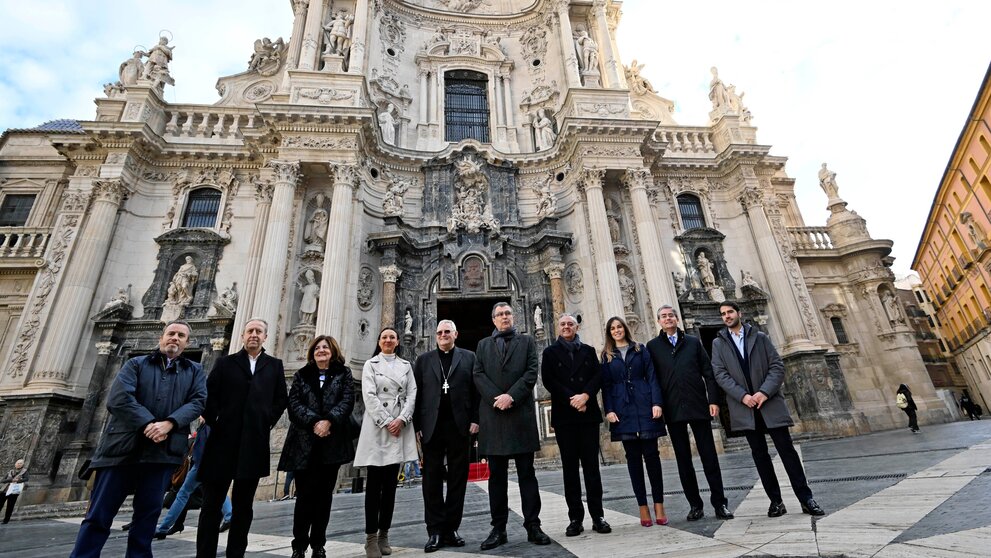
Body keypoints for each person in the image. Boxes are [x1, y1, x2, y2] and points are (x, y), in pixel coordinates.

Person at [70, 320, 207, 557]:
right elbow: (119, 399)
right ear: (161, 338)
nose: (175, 338)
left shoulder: (194, 371)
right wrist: (149, 424)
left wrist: (170, 423)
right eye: (171, 333)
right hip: (120, 450)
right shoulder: (136, 364)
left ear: (187, 342)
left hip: (161, 454)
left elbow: (198, 402)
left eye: (181, 335)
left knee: (147, 517)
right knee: (98, 515)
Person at [710, 301, 825, 518]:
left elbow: (776, 366)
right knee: (760, 456)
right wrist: (743, 396)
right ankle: (776, 501)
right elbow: (720, 374)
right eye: (723, 314)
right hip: (745, 407)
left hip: (769, 403)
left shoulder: (760, 337)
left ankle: (806, 498)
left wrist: (763, 392)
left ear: (739, 313)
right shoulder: (718, 344)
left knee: (788, 453)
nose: (726, 316)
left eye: (730, 312)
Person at [196, 318, 289, 558]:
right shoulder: (225, 363)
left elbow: (281, 399)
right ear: (243, 335)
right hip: (222, 442)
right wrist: (216, 420)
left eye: (259, 331)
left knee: (244, 506)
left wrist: (266, 420)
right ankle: (204, 555)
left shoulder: (274, 365)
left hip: (253, 443)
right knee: (211, 505)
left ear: (265, 337)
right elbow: (209, 395)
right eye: (250, 331)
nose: (254, 335)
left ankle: (235, 553)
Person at [473, 302, 551, 549]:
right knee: (496, 477)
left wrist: (511, 397)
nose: (504, 317)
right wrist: (497, 398)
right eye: (500, 314)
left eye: (507, 313)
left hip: (520, 416)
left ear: (513, 317)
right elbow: (478, 374)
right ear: (493, 319)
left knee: (527, 474)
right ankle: (498, 529)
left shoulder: (527, 342)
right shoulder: (483, 345)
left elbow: (531, 372)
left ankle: (533, 525)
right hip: (494, 417)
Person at [647, 305, 734, 522]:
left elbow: (709, 372)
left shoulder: (693, 342)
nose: (667, 319)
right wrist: (657, 404)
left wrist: (713, 400)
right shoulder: (653, 346)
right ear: (658, 321)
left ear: (677, 319)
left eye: (670, 315)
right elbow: (653, 380)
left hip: (697, 405)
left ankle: (720, 503)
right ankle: (695, 505)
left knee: (709, 458)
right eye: (663, 316)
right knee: (683, 461)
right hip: (673, 408)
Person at [278, 335, 355, 558]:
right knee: (303, 497)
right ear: (312, 352)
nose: (321, 350)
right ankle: (299, 545)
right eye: (318, 348)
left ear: (333, 351)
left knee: (324, 497)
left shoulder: (344, 373)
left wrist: (329, 420)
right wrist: (315, 422)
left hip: (331, 443)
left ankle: (318, 544)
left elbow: (347, 401)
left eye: (326, 347)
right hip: (304, 443)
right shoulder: (301, 375)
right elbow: (294, 405)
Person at [412, 319, 479, 553]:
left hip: (459, 425)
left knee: (458, 478)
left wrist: (475, 419)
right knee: (430, 480)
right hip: (432, 426)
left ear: (456, 334)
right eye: (439, 332)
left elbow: (476, 391)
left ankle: (451, 528)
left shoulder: (469, 357)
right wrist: (417, 426)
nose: (443, 335)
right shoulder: (423, 360)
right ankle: (435, 531)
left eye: (447, 331)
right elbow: (416, 394)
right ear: (435, 335)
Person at [541, 313, 610, 537]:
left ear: (576, 326)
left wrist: (586, 396)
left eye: (570, 324)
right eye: (563, 324)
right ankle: (575, 518)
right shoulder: (550, 353)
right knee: (570, 470)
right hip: (565, 416)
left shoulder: (588, 350)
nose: (567, 327)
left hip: (587, 415)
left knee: (592, 469)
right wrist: (574, 399)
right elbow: (549, 381)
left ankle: (598, 516)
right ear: (558, 328)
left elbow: (598, 376)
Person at [354, 327, 418, 558]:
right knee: (373, 487)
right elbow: (368, 395)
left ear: (398, 341)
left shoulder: (406, 366)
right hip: (378, 428)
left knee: (390, 487)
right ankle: (370, 538)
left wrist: (401, 419)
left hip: (398, 428)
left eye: (392, 337)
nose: (388, 340)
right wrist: (388, 420)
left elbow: (412, 393)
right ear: (379, 341)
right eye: (384, 337)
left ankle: (384, 534)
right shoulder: (370, 364)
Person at [600, 316, 667, 527]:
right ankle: (643, 507)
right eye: (613, 328)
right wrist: (609, 410)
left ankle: (659, 505)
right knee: (633, 460)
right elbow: (607, 386)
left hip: (645, 403)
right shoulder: (606, 356)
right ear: (609, 333)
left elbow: (652, 376)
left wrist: (657, 403)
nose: (617, 330)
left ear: (625, 329)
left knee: (652, 457)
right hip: (622, 408)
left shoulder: (640, 349)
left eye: (619, 327)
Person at [154, 421, 232, 540]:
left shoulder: (207, 424)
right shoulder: (217, 423)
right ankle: (229, 516)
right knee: (217, 491)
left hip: (201, 465)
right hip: (211, 464)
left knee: (183, 494)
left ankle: (164, 527)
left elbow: (203, 448)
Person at [1, 458, 28, 524]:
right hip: (5, 490)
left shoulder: (24, 471)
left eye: (20, 463)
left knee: (10, 506)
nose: (18, 464)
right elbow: (2, 480)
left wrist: (18, 480)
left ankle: (6, 520)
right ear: (15, 464)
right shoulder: (10, 471)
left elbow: (26, 479)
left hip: (14, 492)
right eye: (17, 463)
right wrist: (11, 480)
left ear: (22, 464)